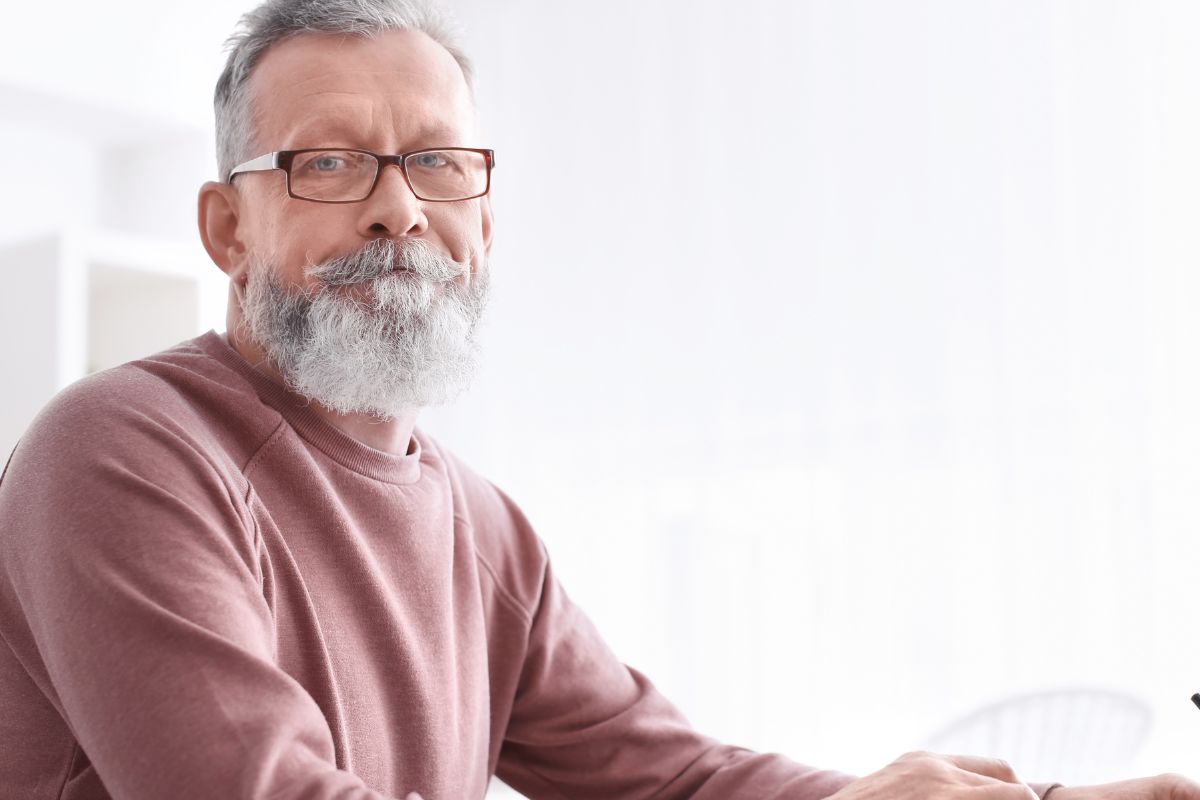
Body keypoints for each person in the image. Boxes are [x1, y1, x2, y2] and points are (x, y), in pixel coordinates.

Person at [0, 1, 1194, 799]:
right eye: (328, 163)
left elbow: (664, 773)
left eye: (437, 162)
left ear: (482, 213)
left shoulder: (485, 524)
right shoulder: (120, 451)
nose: (398, 211)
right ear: (226, 226)